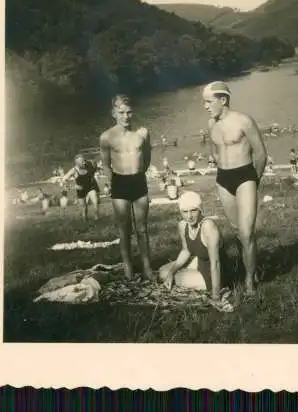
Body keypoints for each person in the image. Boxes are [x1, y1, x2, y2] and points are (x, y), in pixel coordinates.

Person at [202, 81, 267, 295]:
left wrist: (253, 180)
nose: (205, 106)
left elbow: (260, 153)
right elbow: (214, 150)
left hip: (245, 176)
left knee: (247, 233)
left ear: (223, 100)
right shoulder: (211, 124)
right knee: (237, 231)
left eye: (209, 101)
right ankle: (251, 269)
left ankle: (249, 282)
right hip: (223, 178)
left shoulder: (244, 121)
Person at [99, 94, 153, 281]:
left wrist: (139, 173)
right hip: (120, 183)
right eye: (121, 112)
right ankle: (128, 268)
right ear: (113, 113)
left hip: (138, 181)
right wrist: (113, 182)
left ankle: (147, 268)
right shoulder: (106, 137)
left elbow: (147, 157)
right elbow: (106, 164)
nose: (126, 116)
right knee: (124, 229)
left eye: (129, 112)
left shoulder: (142, 134)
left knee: (142, 229)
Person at [158, 191, 223, 301]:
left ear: (200, 209)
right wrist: (171, 273)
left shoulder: (208, 226)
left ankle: (207, 285)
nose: (189, 216)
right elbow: (186, 251)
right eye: (185, 212)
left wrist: (216, 294)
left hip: (215, 273)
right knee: (163, 272)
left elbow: (216, 263)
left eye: (193, 210)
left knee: (170, 277)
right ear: (180, 212)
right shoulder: (183, 225)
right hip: (200, 262)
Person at [61, 154, 100, 221]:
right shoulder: (74, 170)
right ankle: (85, 221)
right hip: (81, 189)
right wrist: (73, 186)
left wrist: (94, 172)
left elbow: (94, 164)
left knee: (95, 202)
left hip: (90, 187)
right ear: (77, 163)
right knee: (84, 207)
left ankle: (96, 218)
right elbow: (63, 180)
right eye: (82, 161)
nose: (84, 162)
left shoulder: (88, 164)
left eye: (84, 160)